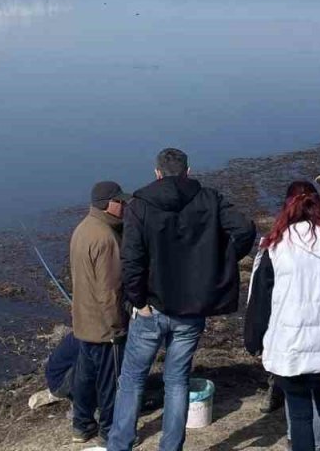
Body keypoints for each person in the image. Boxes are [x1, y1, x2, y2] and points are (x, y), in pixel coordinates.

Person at [108, 148, 257, 451]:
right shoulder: (208, 198)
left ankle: (120, 444)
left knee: (132, 378)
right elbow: (244, 229)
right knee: (177, 381)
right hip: (192, 308)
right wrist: (220, 263)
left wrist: (137, 301)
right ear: (188, 171)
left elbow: (132, 259)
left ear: (157, 173)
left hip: (152, 307)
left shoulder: (140, 205)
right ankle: (170, 447)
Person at [244, 181, 320, 451]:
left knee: (300, 415)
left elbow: (260, 301)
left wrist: (254, 339)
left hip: (291, 346)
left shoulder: (275, 247)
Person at [68, 181, 131, 443]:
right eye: (121, 201)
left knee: (85, 376)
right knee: (110, 381)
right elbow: (110, 291)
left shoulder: (83, 229)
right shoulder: (106, 238)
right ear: (108, 204)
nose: (125, 205)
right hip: (105, 326)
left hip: (84, 322)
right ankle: (108, 431)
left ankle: (81, 425)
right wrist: (117, 326)